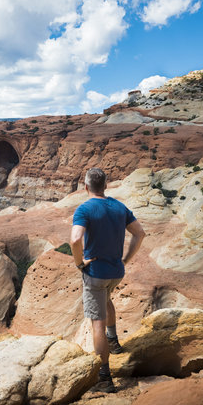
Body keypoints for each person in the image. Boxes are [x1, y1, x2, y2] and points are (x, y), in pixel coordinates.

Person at [70, 168, 145, 393]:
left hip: (96, 273)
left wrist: (79, 262)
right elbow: (140, 234)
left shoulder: (85, 209)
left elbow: (75, 239)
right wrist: (126, 259)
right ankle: (113, 341)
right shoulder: (119, 207)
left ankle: (104, 377)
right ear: (106, 185)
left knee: (97, 324)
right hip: (116, 271)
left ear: (85, 187)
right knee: (107, 299)